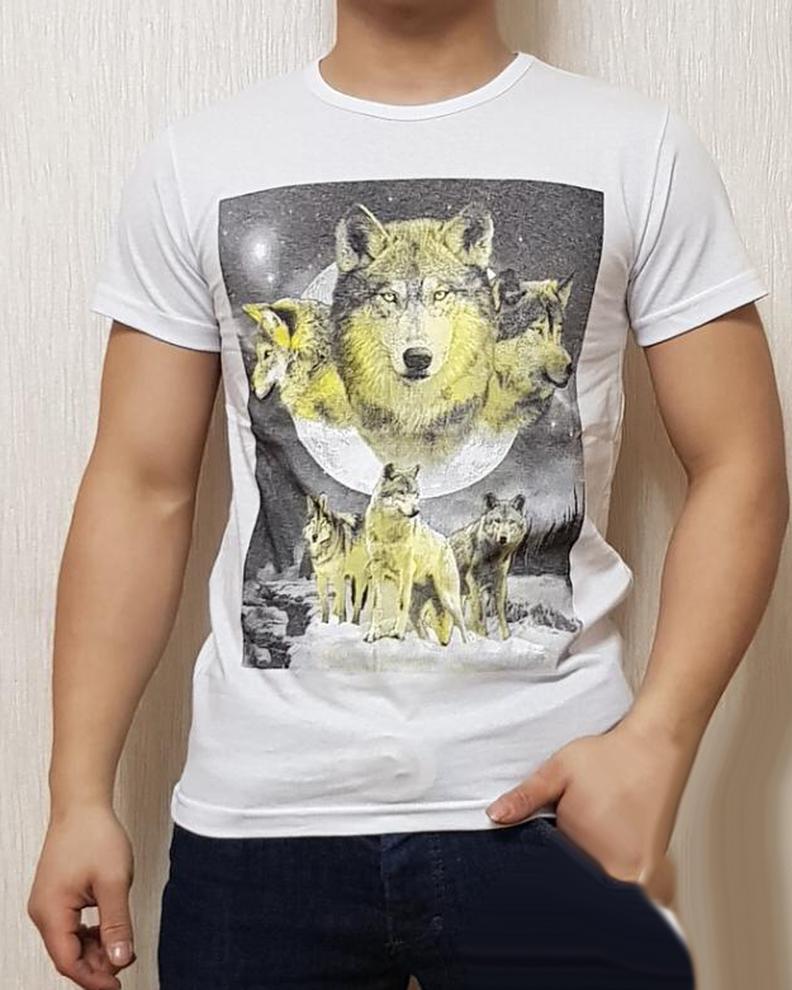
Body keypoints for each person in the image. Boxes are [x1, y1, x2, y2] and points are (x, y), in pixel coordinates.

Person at [28, 1, 788, 988]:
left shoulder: (641, 150)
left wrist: (659, 741)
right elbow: (140, 488)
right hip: (259, 823)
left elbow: (741, 463)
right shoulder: (195, 162)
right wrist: (77, 795)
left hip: (558, 810)